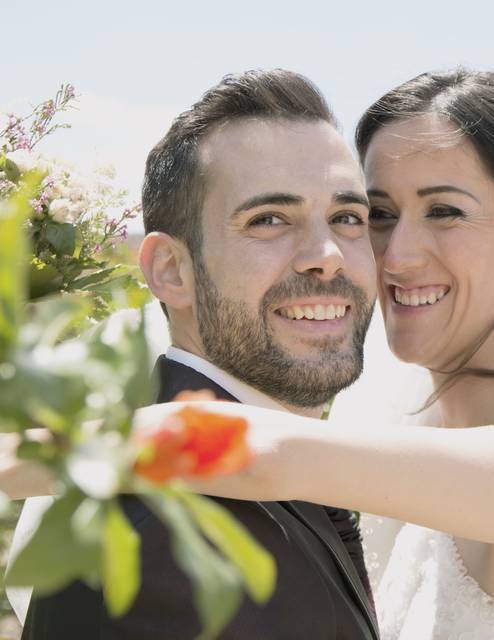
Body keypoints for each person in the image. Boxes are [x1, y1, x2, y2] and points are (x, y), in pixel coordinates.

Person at [135, 69, 494, 639]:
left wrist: (61, 448)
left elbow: (268, 455)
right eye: (378, 215)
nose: (398, 256)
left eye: (444, 212)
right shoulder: (395, 421)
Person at [9, 69, 381, 640]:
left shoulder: (264, 476)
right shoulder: (164, 546)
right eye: (270, 220)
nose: (327, 256)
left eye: (348, 217)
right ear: (170, 270)